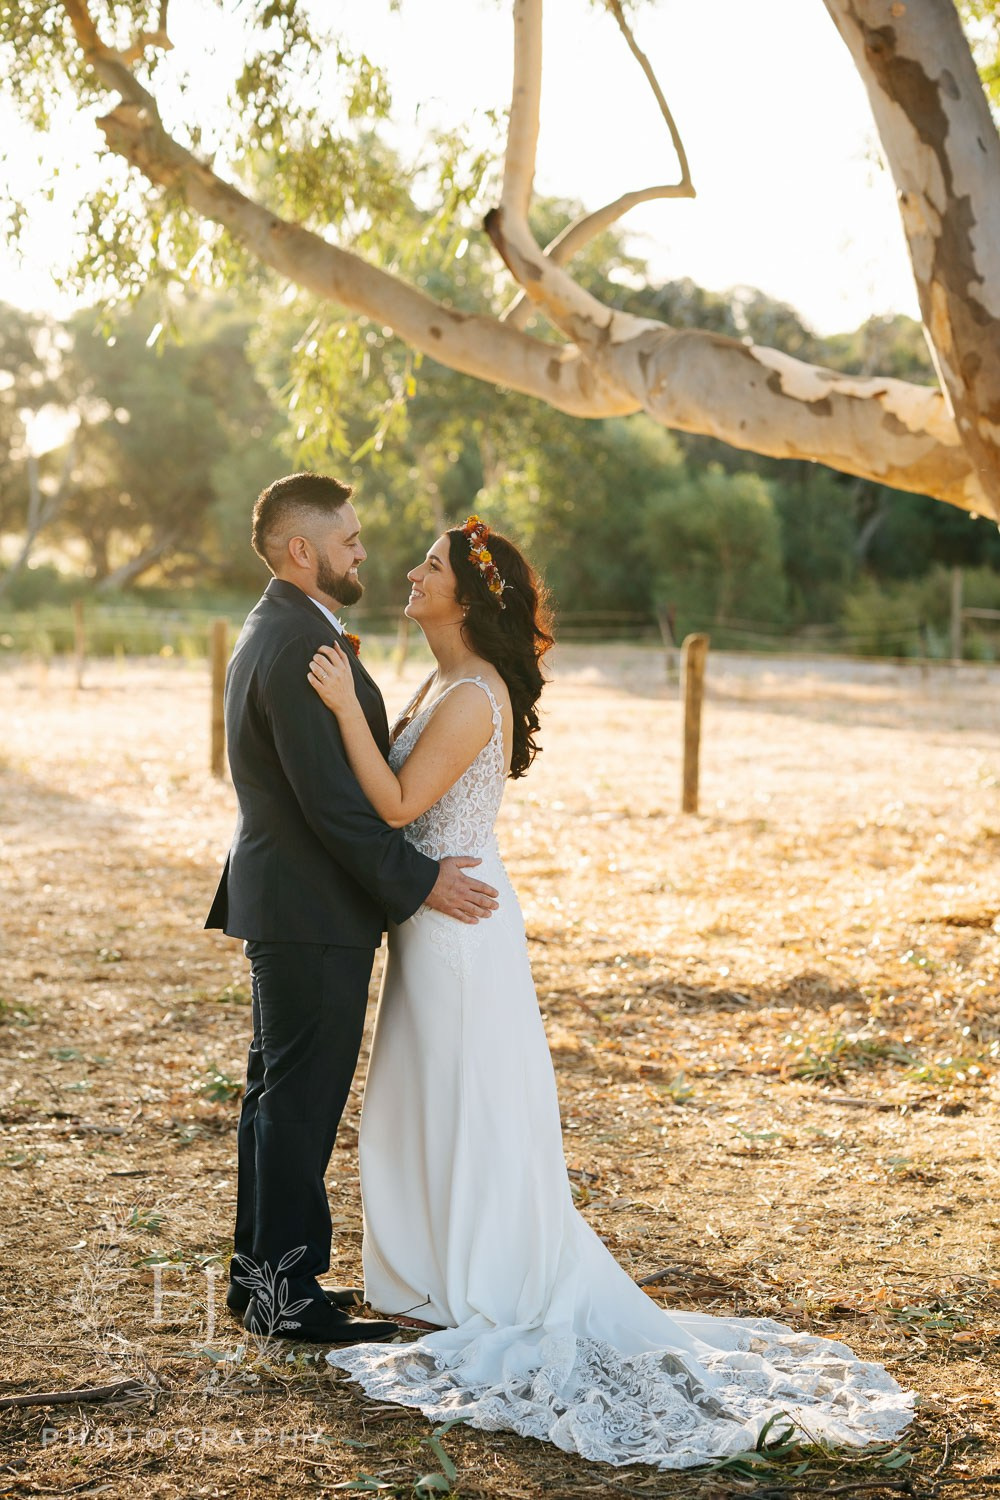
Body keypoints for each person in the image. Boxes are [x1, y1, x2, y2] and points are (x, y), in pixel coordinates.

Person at [308, 514, 914, 1468]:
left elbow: (395, 804)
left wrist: (345, 706)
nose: (412, 573)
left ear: (467, 597)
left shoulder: (471, 693)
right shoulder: (439, 682)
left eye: (430, 565)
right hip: (433, 917)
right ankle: (429, 1281)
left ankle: (480, 1284)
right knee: (420, 1099)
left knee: (469, 1103)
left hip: (461, 928)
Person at [205, 474, 499, 1345]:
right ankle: (288, 1298)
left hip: (296, 904)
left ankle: (261, 1283)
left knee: (276, 1097)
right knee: (297, 1103)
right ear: (304, 550)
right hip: (311, 909)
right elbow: (333, 806)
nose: (365, 552)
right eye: (350, 539)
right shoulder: (299, 642)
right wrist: (421, 881)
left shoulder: (286, 626)